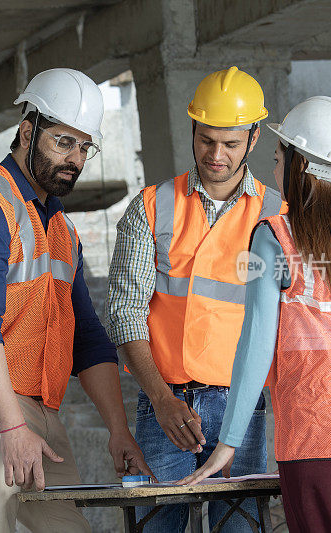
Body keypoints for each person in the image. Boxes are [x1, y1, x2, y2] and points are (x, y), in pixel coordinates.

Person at [0, 68, 152, 533]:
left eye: (85, 147)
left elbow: (88, 338)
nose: (75, 158)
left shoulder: (61, 229)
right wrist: (10, 427)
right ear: (28, 131)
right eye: (63, 142)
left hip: (38, 413)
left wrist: (118, 430)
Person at [179, 96, 331, 533]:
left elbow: (254, 347)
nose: (273, 170)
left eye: (278, 157)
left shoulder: (276, 238)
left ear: (299, 164)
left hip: (320, 438)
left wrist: (227, 443)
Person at [106, 66, 284, 532]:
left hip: (242, 406)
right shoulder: (151, 206)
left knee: (240, 527)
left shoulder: (277, 214)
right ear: (192, 130)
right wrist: (161, 400)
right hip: (163, 402)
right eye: (206, 140)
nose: (216, 155)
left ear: (253, 137)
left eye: (229, 143)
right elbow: (125, 315)